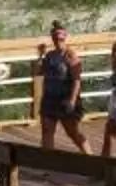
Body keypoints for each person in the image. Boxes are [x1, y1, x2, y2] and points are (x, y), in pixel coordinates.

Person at [35, 23, 86, 152]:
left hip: (65, 98)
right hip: (50, 99)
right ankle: (49, 167)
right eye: (56, 39)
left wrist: (72, 101)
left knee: (73, 133)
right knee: (47, 132)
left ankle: (91, 157)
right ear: (52, 39)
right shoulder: (50, 55)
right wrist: (40, 55)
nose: (58, 41)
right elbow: (38, 71)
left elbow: (77, 80)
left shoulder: (70, 55)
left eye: (61, 39)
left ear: (65, 38)